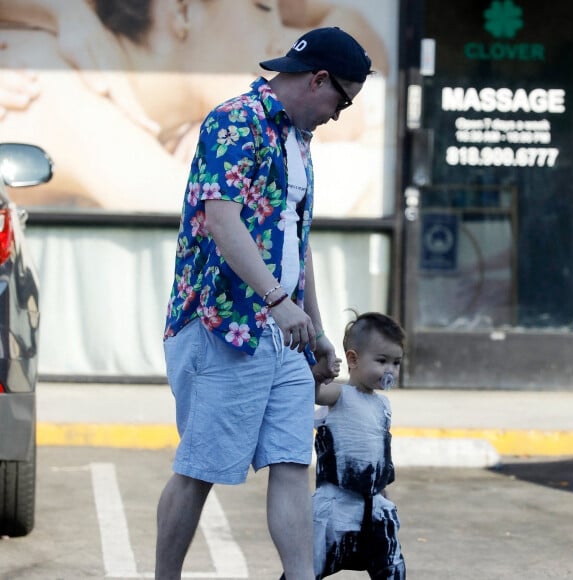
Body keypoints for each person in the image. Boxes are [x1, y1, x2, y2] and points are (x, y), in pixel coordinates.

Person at [157, 27, 373, 580]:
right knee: (199, 469)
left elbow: (296, 242)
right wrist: (277, 299)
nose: (339, 115)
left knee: (290, 463)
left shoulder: (298, 140)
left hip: (283, 333)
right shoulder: (236, 121)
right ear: (318, 79)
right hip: (222, 326)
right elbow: (221, 220)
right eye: (341, 100)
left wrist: (317, 330)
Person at [0, 0, 387, 213]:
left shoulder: (153, 113)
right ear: (182, 12)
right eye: (263, 9)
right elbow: (192, 207)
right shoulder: (52, 88)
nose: (282, 41)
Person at [298, 311, 407, 579]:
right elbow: (313, 395)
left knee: (391, 570)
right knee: (306, 569)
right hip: (336, 506)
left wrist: (384, 495)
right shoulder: (340, 394)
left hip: (373, 507)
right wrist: (317, 375)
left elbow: (380, 456)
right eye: (382, 361)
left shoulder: (383, 405)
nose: (390, 370)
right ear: (353, 359)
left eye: (396, 362)